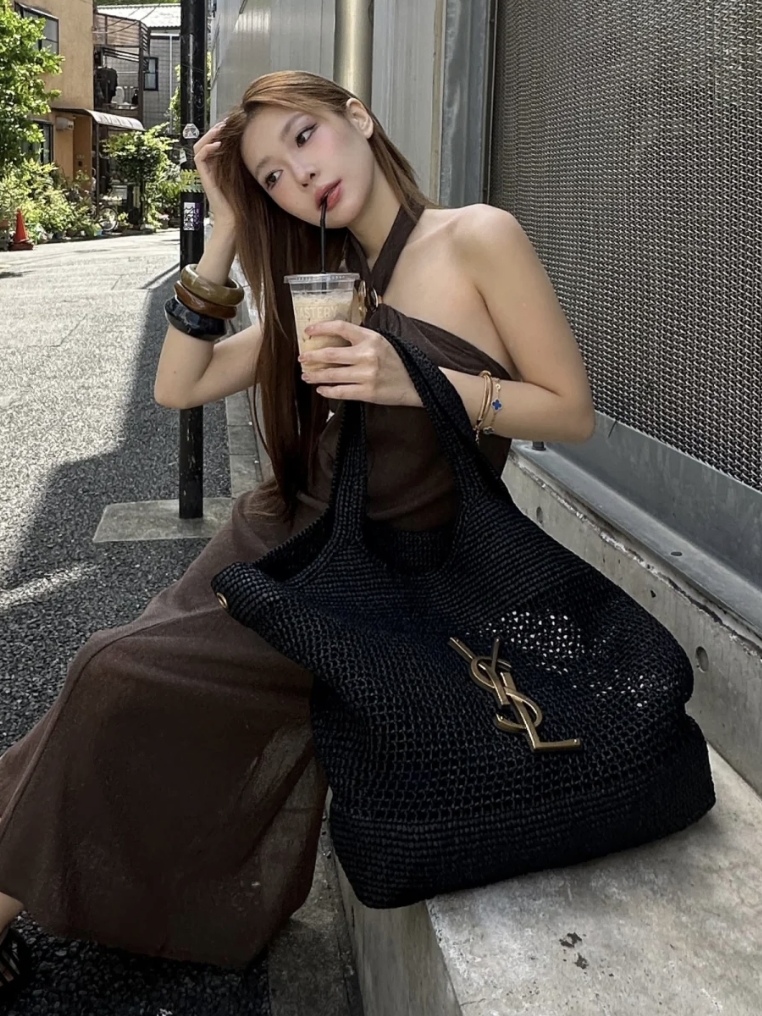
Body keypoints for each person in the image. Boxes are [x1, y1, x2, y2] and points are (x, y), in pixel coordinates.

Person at [0, 70, 595, 996]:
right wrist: (226, 228)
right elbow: (180, 386)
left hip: (380, 577)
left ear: (358, 117)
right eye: (271, 175)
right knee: (108, 672)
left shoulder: (477, 237)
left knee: (114, 673)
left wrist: (415, 381)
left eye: (304, 139)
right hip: (282, 536)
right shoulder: (332, 286)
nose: (298, 176)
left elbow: (569, 409)